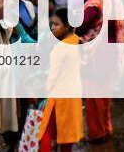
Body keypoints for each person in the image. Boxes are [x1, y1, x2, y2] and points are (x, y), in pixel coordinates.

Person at [37, 8, 84, 151]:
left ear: (67, 26)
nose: (52, 28)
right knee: (66, 138)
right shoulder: (78, 42)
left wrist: (43, 92)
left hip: (57, 98)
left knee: (46, 133)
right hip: (73, 96)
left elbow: (52, 77)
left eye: (56, 24)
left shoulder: (60, 48)